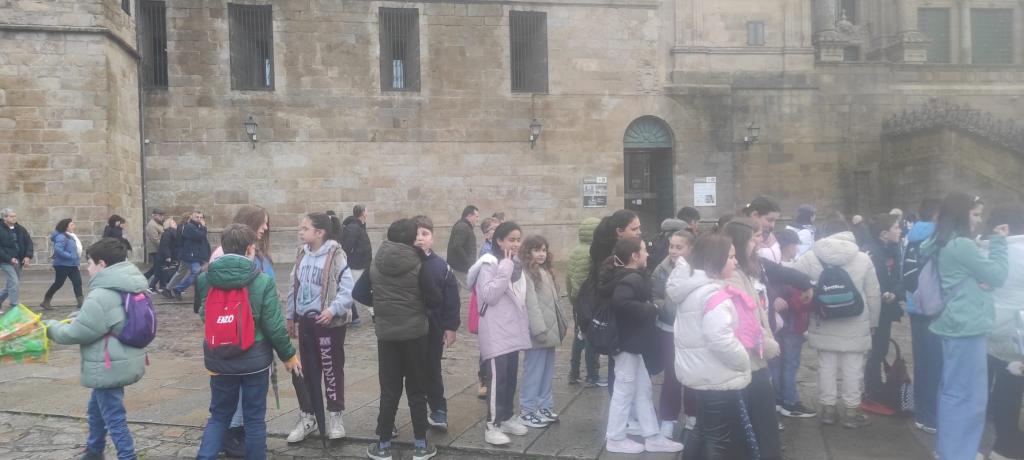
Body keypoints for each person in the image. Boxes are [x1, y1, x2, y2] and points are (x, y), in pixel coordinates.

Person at [194, 224, 301, 460]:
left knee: (219, 416)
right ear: (250, 249)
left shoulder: (205, 278)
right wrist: (288, 355)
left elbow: (204, 314)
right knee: (254, 419)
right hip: (254, 359)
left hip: (219, 358)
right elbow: (274, 326)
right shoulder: (262, 281)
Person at [920, 193, 1008, 460]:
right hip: (967, 325)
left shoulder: (939, 241)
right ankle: (958, 453)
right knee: (969, 396)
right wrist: (999, 243)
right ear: (961, 213)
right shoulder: (962, 245)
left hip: (951, 323)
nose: (979, 220)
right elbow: (998, 275)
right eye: (975, 213)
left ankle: (949, 450)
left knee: (952, 390)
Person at [44, 238, 148, 460]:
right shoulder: (131, 283)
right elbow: (108, 318)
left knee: (114, 418)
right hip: (123, 359)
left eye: (89, 262)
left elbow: (77, 333)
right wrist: (80, 316)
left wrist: (50, 327)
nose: (87, 267)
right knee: (96, 410)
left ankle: (127, 456)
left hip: (107, 365)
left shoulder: (101, 294)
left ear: (102, 264)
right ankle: (94, 451)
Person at [352, 218, 441, 460]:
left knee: (389, 390)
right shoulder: (419, 263)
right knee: (417, 389)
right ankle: (421, 445)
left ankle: (383, 445)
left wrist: (382, 304)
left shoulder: (376, 262)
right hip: (415, 336)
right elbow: (435, 298)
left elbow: (358, 292)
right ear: (412, 240)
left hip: (387, 336)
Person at [667, 233, 754, 459]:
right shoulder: (713, 294)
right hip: (716, 375)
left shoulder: (694, 288)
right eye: (731, 257)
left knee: (702, 430)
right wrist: (743, 360)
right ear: (716, 260)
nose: (735, 262)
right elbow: (719, 338)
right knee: (717, 438)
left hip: (701, 371)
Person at [791, 213, 881, 428]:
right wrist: (873, 322)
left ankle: (828, 410)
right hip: (856, 320)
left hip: (824, 318)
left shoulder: (811, 257)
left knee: (826, 366)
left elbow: (793, 280)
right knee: (853, 367)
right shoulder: (863, 258)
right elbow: (873, 294)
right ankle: (851, 411)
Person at [599, 237, 683, 454]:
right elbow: (622, 303)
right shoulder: (631, 278)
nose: (647, 254)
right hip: (627, 345)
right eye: (644, 250)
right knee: (624, 390)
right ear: (634, 256)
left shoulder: (628, 276)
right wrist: (651, 308)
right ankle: (615, 438)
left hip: (633, 345)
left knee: (643, 389)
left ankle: (652, 435)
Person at [205, 205, 276, 457]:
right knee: (250, 414)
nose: (266, 227)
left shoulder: (211, 272)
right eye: (263, 222)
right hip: (250, 347)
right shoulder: (244, 267)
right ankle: (236, 438)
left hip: (223, 349)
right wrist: (286, 353)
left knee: (222, 413)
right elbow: (270, 318)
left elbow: (204, 309)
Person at [285, 212, 355, 444]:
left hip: (328, 324)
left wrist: (333, 310)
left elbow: (348, 289)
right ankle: (308, 416)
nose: (300, 231)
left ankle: (335, 416)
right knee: (307, 370)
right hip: (305, 322)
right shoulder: (301, 254)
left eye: (305, 228)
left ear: (319, 232)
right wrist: (291, 316)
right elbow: (293, 286)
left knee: (332, 369)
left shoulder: (336, 255)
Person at [721, 219, 783, 459]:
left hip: (751, 361)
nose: (757, 242)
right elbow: (747, 324)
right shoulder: (735, 277)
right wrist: (770, 347)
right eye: (753, 238)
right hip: (750, 361)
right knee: (760, 427)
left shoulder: (742, 272)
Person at [466, 221, 530, 446]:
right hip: (495, 329)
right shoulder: (490, 263)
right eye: (511, 239)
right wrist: (505, 267)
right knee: (497, 380)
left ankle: (506, 417)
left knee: (510, 377)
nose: (515, 244)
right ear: (499, 241)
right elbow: (489, 295)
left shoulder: (516, 264)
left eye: (518, 239)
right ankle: (491, 425)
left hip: (512, 328)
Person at [411, 215, 461, 431]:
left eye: (425, 234)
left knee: (432, 369)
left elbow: (452, 299)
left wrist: (450, 327)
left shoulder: (441, 266)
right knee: (407, 372)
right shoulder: (403, 263)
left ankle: (438, 409)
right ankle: (397, 414)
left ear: (432, 238)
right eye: (416, 234)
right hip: (408, 328)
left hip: (433, 328)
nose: (420, 238)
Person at [985, 203, 1024, 460]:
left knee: (992, 386)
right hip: (1016, 332)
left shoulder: (986, 250)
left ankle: (991, 441)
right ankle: (1004, 446)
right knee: (1011, 389)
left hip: (989, 327)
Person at [589, 210, 642, 394]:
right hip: (617, 319)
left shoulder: (620, 253)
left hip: (620, 319)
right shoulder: (614, 259)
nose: (639, 232)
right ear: (620, 231)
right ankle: (619, 405)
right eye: (634, 229)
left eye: (639, 228)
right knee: (620, 368)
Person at [649, 230, 695, 438]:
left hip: (692, 329)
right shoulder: (662, 268)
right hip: (669, 328)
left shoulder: (698, 268)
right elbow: (654, 294)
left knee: (693, 374)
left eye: (679, 247)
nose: (674, 251)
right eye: (671, 246)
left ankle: (693, 416)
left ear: (690, 248)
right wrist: (665, 307)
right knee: (672, 375)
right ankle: (668, 419)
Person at [519, 235, 566, 428]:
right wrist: (539, 330)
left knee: (547, 371)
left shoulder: (545, 271)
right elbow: (531, 304)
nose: (541, 254)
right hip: (538, 332)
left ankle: (544, 405)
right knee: (534, 371)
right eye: (537, 250)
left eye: (544, 250)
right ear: (528, 252)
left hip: (550, 331)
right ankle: (527, 410)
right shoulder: (527, 274)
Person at [904, 197, 942, 434]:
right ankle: (931, 416)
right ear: (937, 215)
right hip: (933, 306)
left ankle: (921, 412)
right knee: (937, 363)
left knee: (922, 361)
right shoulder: (938, 237)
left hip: (914, 304)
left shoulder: (912, 236)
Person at [861, 213, 905, 413]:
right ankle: (872, 390)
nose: (900, 230)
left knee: (881, 348)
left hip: (887, 307)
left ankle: (875, 389)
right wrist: (881, 294)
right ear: (884, 234)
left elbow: (899, 278)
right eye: (896, 227)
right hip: (873, 309)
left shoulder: (894, 249)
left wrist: (895, 293)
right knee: (875, 350)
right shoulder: (870, 251)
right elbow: (867, 281)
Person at [773, 228, 817, 418]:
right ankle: (790, 402)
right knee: (791, 364)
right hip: (793, 325)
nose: (797, 249)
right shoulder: (794, 270)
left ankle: (777, 400)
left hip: (775, 325)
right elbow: (801, 302)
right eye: (795, 245)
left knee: (776, 364)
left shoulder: (768, 268)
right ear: (789, 246)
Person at [566, 217, 604, 387]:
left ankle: (573, 373)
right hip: (590, 302)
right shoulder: (594, 253)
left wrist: (573, 300)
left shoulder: (575, 251)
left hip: (577, 303)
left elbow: (569, 278)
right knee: (591, 337)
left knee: (579, 336)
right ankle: (592, 374)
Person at [474, 215, 500, 398]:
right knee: (487, 343)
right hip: (488, 303)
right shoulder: (487, 252)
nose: (497, 232)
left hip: (496, 302)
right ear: (486, 234)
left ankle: (491, 377)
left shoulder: (497, 249)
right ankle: (483, 379)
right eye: (493, 229)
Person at [40, 218, 84, 310]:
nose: (74, 226)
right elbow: (58, 249)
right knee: (58, 283)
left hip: (72, 264)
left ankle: (81, 303)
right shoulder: (61, 237)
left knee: (77, 282)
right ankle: (46, 301)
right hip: (62, 265)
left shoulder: (69, 236)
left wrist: (75, 259)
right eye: (72, 225)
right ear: (66, 227)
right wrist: (70, 256)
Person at [343, 205, 373, 323]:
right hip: (356, 264)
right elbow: (347, 247)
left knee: (358, 289)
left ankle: (352, 315)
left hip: (363, 264)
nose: (367, 213)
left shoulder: (360, 226)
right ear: (363, 213)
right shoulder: (353, 228)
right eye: (366, 210)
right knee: (357, 290)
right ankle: (371, 312)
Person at [171, 211, 211, 300]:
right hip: (190, 255)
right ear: (192, 217)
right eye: (197, 217)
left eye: (201, 217)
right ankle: (177, 289)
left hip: (197, 255)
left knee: (196, 273)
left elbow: (203, 242)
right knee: (195, 272)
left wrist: (207, 254)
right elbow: (199, 236)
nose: (199, 219)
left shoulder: (198, 226)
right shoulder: (189, 227)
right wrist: (204, 227)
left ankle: (200, 291)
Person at [0, 208, 33, 311]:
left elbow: (29, 242)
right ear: (4, 218)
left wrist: (27, 256)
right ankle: (14, 306)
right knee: (14, 282)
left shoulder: (20, 229)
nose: (14, 218)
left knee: (11, 284)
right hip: (5, 261)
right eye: (11, 216)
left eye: (15, 216)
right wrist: (9, 258)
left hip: (18, 261)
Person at [447, 205, 480, 287]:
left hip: (461, 268)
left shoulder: (464, 226)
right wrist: (468, 263)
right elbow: (457, 246)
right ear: (469, 215)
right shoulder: (463, 227)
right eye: (476, 216)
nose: (477, 219)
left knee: (460, 289)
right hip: (461, 269)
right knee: (468, 290)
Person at [743, 196, 782, 263]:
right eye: (769, 220)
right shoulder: (741, 239)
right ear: (755, 215)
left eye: (775, 221)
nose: (772, 225)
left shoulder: (770, 235)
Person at [154, 217, 179, 297]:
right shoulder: (167, 233)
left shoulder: (173, 232)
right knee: (162, 272)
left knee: (162, 271)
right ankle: (153, 286)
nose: (175, 223)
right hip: (165, 256)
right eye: (173, 222)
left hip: (170, 255)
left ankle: (163, 286)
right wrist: (168, 256)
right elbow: (165, 245)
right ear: (169, 224)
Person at [142, 209, 165, 289]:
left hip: (158, 249)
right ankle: (150, 283)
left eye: (162, 215)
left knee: (157, 267)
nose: (162, 217)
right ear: (154, 215)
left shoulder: (158, 224)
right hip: (155, 249)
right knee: (158, 268)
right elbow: (155, 239)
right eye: (160, 215)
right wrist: (164, 247)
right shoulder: (152, 225)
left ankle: (161, 285)